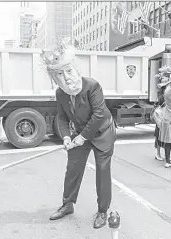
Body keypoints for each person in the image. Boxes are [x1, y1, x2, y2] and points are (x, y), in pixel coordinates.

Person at [42, 40, 116, 229]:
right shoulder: (61, 93)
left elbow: (99, 114)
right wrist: (66, 137)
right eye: (59, 74)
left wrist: (82, 137)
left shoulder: (92, 86)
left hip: (102, 132)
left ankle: (102, 210)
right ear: (54, 78)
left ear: (75, 69)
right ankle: (68, 204)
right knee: (73, 168)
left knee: (102, 170)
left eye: (68, 71)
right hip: (79, 134)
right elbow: (61, 117)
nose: (66, 78)